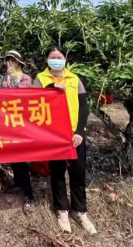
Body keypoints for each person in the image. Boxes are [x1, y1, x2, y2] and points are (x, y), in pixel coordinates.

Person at [34, 46, 96, 235]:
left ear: (65, 59)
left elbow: (84, 108)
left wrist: (80, 132)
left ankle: (80, 211)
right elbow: (34, 101)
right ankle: (62, 210)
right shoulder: (40, 79)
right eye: (52, 57)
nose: (56, 60)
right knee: (58, 172)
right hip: (54, 135)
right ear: (47, 60)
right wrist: (52, 89)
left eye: (59, 57)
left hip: (75, 135)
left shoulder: (74, 79)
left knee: (78, 173)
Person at [1, 50, 34, 212]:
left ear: (19, 63)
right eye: (7, 61)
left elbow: (22, 97)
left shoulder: (25, 78)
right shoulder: (5, 79)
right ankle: (18, 185)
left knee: (22, 157)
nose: (8, 64)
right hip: (9, 123)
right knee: (14, 156)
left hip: (21, 123)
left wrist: (13, 80)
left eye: (11, 61)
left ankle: (29, 195)